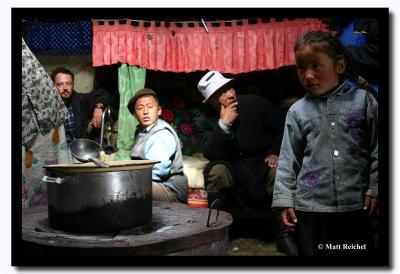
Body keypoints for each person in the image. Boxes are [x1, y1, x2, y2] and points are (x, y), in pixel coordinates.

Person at [272, 30, 378, 256]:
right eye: (301, 67)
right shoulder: (296, 112)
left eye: (316, 66)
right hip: (311, 208)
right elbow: (288, 160)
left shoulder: (364, 101)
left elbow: (379, 148)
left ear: (339, 66)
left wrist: (375, 187)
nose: (308, 75)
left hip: (356, 205)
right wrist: (285, 201)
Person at [195, 70, 298, 256]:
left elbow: (283, 126)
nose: (230, 94)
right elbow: (211, 153)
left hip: (262, 165)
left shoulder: (255, 104)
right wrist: (223, 125)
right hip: (233, 170)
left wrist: (276, 152)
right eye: (222, 93)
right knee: (216, 171)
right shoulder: (204, 122)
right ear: (211, 101)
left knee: (279, 171)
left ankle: (284, 235)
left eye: (229, 88)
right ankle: (219, 234)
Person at [127, 88, 188, 203]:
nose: (145, 112)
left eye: (150, 107)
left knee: (125, 187)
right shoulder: (142, 130)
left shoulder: (162, 133)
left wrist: (126, 177)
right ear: (135, 114)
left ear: (159, 110)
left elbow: (156, 172)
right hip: (150, 182)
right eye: (140, 108)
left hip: (170, 190)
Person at [50, 66, 110, 146]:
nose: (65, 88)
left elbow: (102, 93)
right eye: (60, 84)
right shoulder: (47, 105)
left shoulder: (79, 100)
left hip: (79, 149)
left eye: (68, 84)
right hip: (57, 151)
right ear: (53, 86)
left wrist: (98, 106)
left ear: (73, 85)